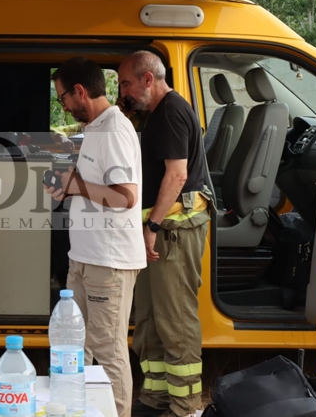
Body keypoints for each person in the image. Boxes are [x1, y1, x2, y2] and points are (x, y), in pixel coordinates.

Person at [44, 56, 145, 417]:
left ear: (80, 91)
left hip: (109, 261)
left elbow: (124, 196)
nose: (65, 106)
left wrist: (79, 187)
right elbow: (92, 186)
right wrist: (67, 188)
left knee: (109, 349)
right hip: (85, 257)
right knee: (77, 344)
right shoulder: (95, 130)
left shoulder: (114, 130)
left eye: (63, 99)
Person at [118, 50, 212, 417]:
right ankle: (156, 398)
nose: (122, 91)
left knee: (175, 320)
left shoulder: (171, 112)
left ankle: (185, 406)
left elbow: (177, 175)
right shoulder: (155, 114)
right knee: (150, 319)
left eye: (126, 83)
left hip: (172, 230)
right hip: (160, 229)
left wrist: (152, 227)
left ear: (147, 79)